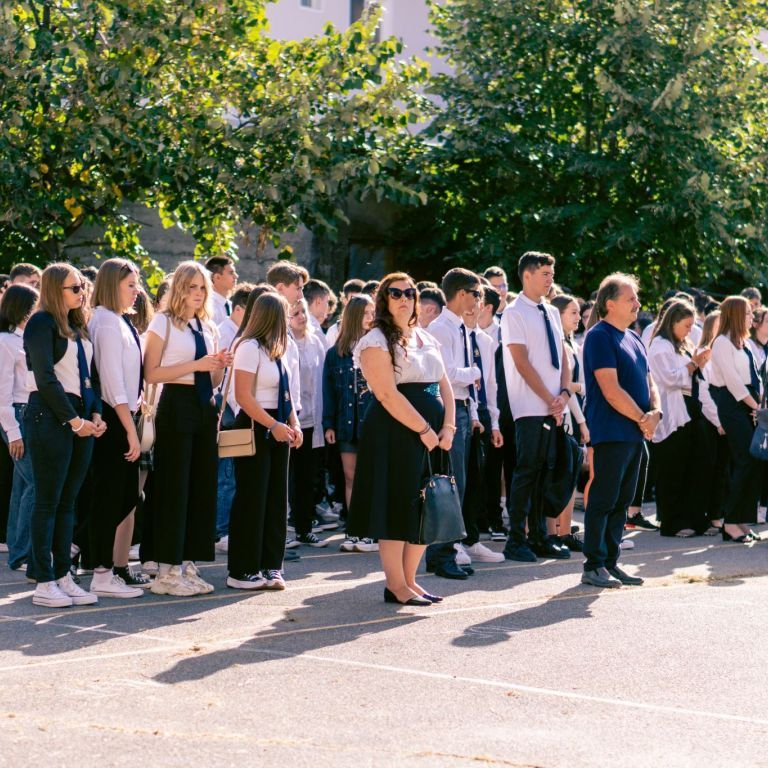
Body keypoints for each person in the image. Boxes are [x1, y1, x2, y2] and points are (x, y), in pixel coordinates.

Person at [347, 272, 455, 605]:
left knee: (426, 505)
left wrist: (448, 427)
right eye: (396, 293)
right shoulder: (375, 340)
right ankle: (395, 584)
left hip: (434, 433)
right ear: (384, 299)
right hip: (395, 431)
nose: (404, 298)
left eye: (410, 292)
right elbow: (386, 394)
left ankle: (410, 581)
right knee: (396, 506)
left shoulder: (425, 337)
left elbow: (444, 384)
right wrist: (424, 430)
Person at [143, 261, 231, 596]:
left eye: (202, 288)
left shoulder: (207, 326)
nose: (197, 293)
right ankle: (166, 570)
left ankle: (188, 563)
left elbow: (212, 378)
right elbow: (151, 373)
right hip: (176, 404)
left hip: (204, 406)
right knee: (174, 488)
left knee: (200, 488)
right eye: (191, 287)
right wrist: (196, 365)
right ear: (179, 288)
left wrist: (219, 366)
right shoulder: (163, 322)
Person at [23, 263, 106, 608]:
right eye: (74, 288)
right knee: (48, 501)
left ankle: (62, 575)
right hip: (49, 415)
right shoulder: (41, 323)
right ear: (55, 290)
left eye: (82, 287)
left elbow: (90, 377)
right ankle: (44, 581)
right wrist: (74, 420)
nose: (81, 293)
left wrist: (95, 414)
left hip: (80, 415)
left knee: (68, 501)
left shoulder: (77, 325)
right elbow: (45, 378)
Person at [581, 273, 660, 588]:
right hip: (611, 431)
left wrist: (655, 412)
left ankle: (611, 563)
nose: (637, 304)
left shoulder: (634, 337)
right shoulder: (599, 336)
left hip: (634, 433)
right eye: (631, 298)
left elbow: (650, 381)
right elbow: (610, 390)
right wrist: (643, 418)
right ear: (610, 303)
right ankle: (593, 565)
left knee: (622, 501)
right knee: (604, 499)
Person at [226, 293, 303, 590]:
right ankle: (241, 570)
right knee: (252, 499)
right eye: (285, 314)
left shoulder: (279, 348)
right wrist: (273, 425)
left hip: (279, 424)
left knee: (276, 500)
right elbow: (243, 396)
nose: (289, 320)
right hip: (256, 425)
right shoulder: (248, 347)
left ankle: (271, 566)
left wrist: (294, 424)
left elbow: (287, 393)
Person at [501, 252, 572, 562]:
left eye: (551, 273)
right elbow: (521, 361)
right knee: (527, 471)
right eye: (544, 273)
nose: (550, 279)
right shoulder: (514, 312)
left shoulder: (551, 311)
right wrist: (548, 397)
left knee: (546, 472)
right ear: (526, 275)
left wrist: (564, 394)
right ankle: (516, 538)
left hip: (554, 405)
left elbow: (563, 356)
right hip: (530, 406)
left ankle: (540, 536)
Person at [87, 259, 147, 598]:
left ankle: (88, 557)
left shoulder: (118, 320)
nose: (137, 290)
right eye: (130, 285)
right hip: (114, 417)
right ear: (113, 285)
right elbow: (112, 385)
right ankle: (101, 573)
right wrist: (129, 429)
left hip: (124, 414)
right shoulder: (107, 322)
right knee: (112, 497)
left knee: (124, 495)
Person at [424, 267, 484, 579]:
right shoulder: (442, 328)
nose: (478, 300)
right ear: (461, 293)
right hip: (448, 408)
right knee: (448, 483)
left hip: (462, 407)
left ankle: (448, 550)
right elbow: (446, 374)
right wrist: (475, 372)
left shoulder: (459, 326)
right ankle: (440, 554)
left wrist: (472, 413)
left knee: (458, 483)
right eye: (476, 294)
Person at [647, 300, 712, 537]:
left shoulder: (683, 344)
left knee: (694, 466)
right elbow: (668, 379)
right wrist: (693, 364)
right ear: (672, 322)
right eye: (686, 326)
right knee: (673, 470)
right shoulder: (660, 346)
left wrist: (697, 363)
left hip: (691, 409)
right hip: (673, 412)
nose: (689, 330)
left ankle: (695, 518)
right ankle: (672, 522)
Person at [322, 295, 377, 553]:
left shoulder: (377, 347)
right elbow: (329, 392)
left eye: (372, 312)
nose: (371, 318)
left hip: (372, 423)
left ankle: (370, 531)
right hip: (345, 424)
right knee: (350, 476)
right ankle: (354, 529)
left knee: (370, 477)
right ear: (354, 315)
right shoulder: (335, 354)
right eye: (366, 313)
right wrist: (328, 424)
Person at [708, 296, 762, 543]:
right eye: (748, 313)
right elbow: (732, 381)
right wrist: (756, 407)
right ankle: (730, 522)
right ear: (737, 315)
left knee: (753, 461)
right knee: (744, 459)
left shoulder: (745, 342)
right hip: (733, 405)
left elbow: (755, 377)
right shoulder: (721, 342)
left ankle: (741, 519)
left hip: (749, 404)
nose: (752, 317)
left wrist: (758, 404)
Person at [460, 304, 505, 564]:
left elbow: (490, 383)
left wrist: (494, 422)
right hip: (460, 411)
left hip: (483, 413)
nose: (473, 306)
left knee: (478, 480)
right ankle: (453, 541)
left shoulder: (486, 341)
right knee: (459, 481)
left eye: (478, 299)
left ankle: (472, 539)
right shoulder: (450, 332)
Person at [0, 285, 38, 572]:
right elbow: (2, 392)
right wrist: (13, 432)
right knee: (36, 483)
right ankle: (23, 553)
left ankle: (17, 552)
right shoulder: (5, 341)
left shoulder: (28, 338)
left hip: (30, 413)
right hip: (16, 414)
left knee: (23, 485)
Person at [287, 299, 328, 548]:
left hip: (312, 420)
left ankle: (304, 528)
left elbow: (322, 380)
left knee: (306, 478)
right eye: (295, 313)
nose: (301, 316)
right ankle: (282, 530)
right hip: (290, 420)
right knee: (285, 478)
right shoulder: (284, 342)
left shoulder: (315, 342)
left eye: (303, 312)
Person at [550, 294, 590, 551]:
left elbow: (577, 386)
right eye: (572, 313)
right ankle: (554, 531)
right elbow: (567, 388)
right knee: (560, 474)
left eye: (578, 312)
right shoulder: (557, 344)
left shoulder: (573, 343)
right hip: (565, 415)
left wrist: (578, 387)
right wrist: (582, 422)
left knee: (570, 474)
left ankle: (565, 530)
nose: (578, 318)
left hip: (574, 413)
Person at [326, 278, 364, 347]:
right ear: (345, 300)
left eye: (361, 299)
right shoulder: (334, 331)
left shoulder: (371, 329)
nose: (357, 304)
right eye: (353, 299)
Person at [206, 256, 238, 325]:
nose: (236, 276)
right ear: (217, 277)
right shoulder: (208, 306)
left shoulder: (231, 305)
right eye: (231, 273)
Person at [303, 279, 334, 343]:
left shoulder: (296, 324)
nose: (328, 306)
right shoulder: (315, 332)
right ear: (318, 302)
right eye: (327, 301)